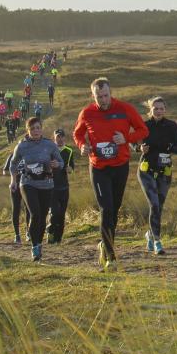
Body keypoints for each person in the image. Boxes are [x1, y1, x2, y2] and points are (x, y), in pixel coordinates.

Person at [73, 77, 149, 270]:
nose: (103, 100)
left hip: (120, 165)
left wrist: (126, 138)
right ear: (93, 96)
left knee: (113, 211)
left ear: (110, 93)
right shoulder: (87, 113)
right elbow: (78, 134)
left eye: (106, 95)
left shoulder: (125, 109)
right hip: (98, 167)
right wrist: (82, 146)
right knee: (106, 209)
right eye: (99, 97)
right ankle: (111, 257)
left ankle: (104, 245)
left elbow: (143, 130)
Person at [9, 118, 62, 262]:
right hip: (28, 183)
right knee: (35, 214)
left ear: (42, 129)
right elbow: (12, 164)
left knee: (43, 216)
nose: (36, 131)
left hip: (46, 184)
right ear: (28, 130)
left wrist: (56, 163)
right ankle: (35, 247)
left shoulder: (50, 145)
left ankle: (38, 242)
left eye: (38, 128)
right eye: (33, 129)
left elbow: (61, 162)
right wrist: (13, 180)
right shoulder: (22, 146)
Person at [137, 96, 177, 255]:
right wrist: (139, 149)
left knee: (159, 207)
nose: (158, 111)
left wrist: (170, 147)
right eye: (155, 108)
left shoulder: (172, 126)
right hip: (146, 171)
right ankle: (157, 241)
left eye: (161, 108)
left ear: (165, 110)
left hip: (165, 172)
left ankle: (149, 234)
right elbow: (132, 142)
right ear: (150, 110)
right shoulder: (144, 125)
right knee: (154, 205)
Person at [46, 129, 74, 244]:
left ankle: (58, 239)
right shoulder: (49, 151)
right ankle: (50, 231)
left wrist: (69, 169)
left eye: (62, 137)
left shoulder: (69, 151)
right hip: (51, 186)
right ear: (54, 138)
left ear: (65, 138)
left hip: (64, 186)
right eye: (58, 137)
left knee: (62, 214)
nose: (60, 139)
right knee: (54, 212)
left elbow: (72, 167)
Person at [3, 153, 29, 244]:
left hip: (28, 185)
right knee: (16, 209)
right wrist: (15, 173)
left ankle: (28, 232)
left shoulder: (30, 154)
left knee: (29, 209)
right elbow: (5, 171)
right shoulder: (12, 156)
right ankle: (17, 235)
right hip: (15, 186)